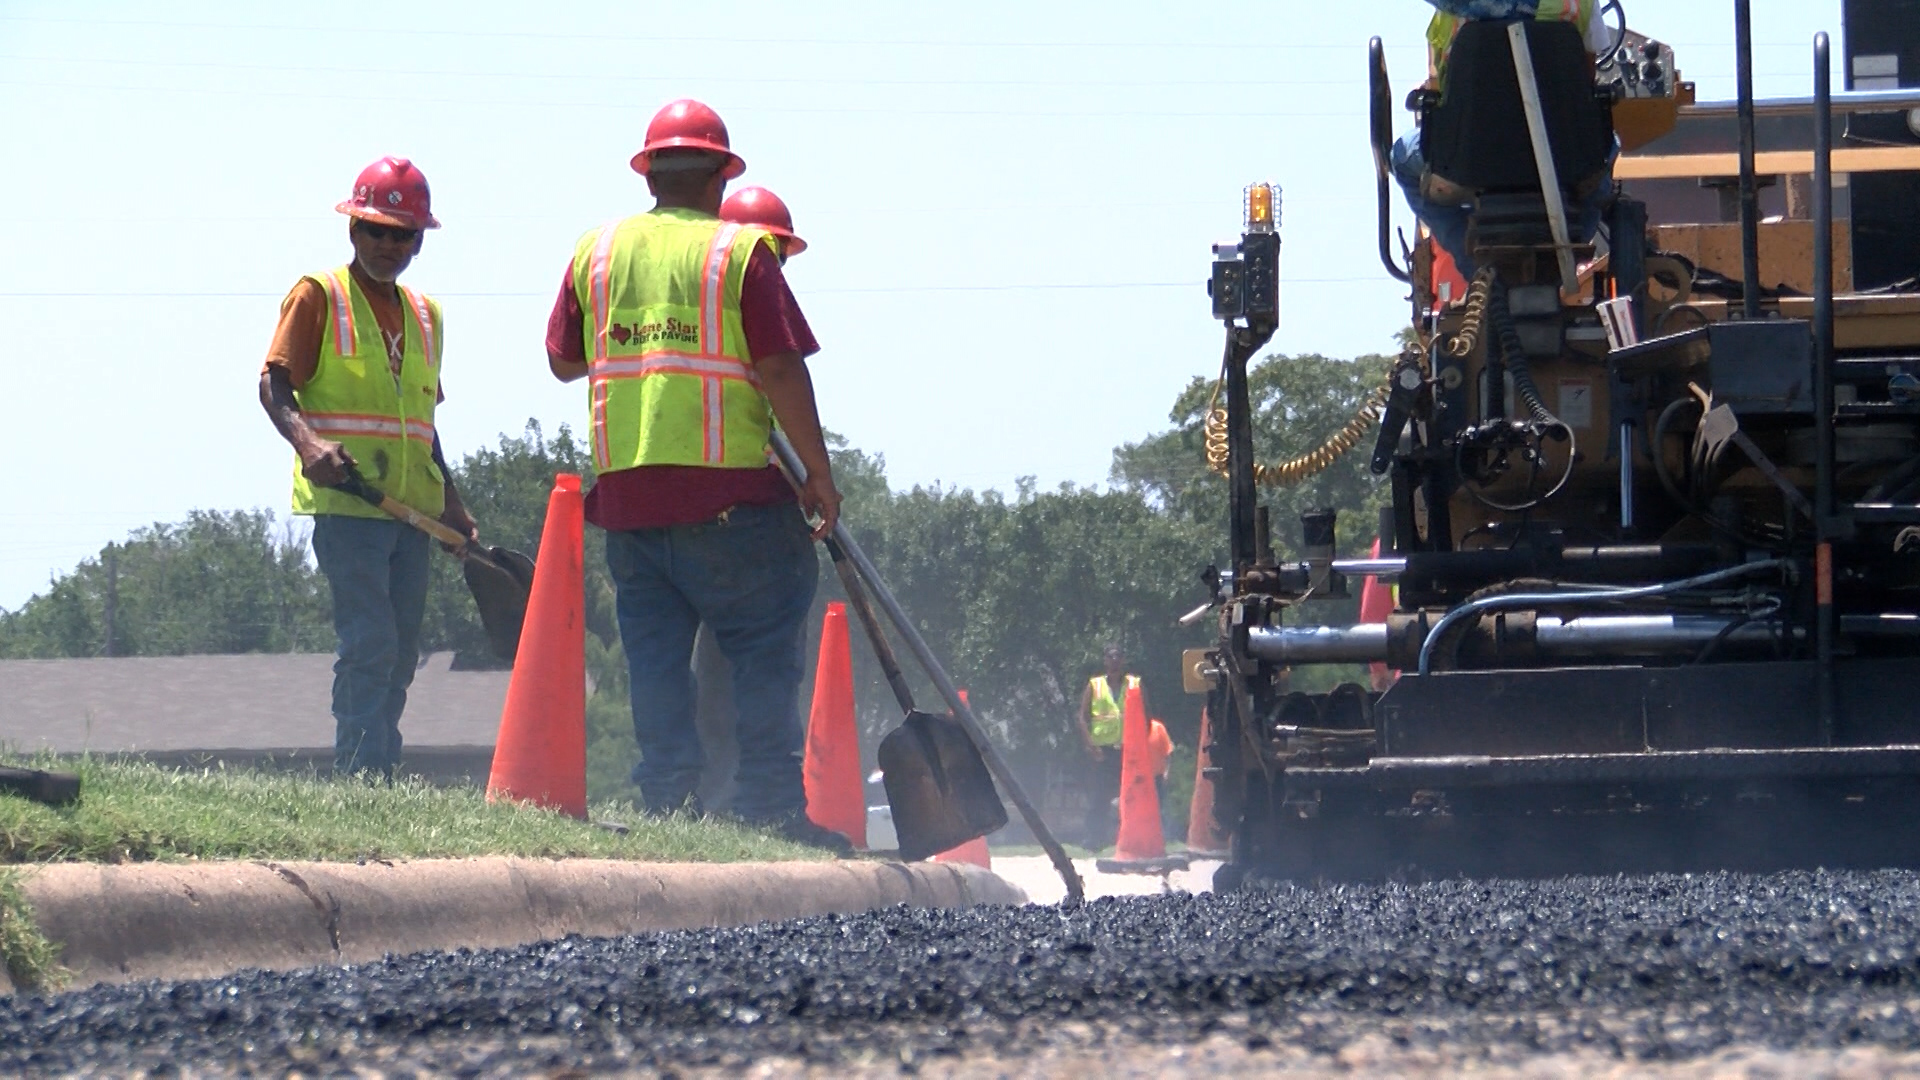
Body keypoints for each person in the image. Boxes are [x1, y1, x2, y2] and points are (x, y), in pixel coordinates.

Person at [544, 99, 846, 851]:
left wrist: (641, 340)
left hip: (630, 501)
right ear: (720, 176)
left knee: (654, 661)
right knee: (764, 648)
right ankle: (769, 805)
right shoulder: (737, 253)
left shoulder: (598, 250)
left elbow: (562, 360)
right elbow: (777, 364)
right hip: (732, 500)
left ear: (649, 173)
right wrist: (817, 474)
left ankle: (668, 805)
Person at [259, 156, 477, 779]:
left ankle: (381, 772)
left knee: (401, 650)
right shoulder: (318, 295)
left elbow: (423, 425)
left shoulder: (426, 316)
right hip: (350, 507)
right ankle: (358, 773)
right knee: (370, 643)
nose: (388, 244)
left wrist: (452, 503)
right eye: (375, 230)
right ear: (352, 230)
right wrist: (308, 445)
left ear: (418, 240)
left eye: (401, 233)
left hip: (409, 512)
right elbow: (274, 386)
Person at [1390, 0, 1614, 278]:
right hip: (1561, 154)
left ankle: (1473, 263)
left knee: (1400, 158)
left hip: (1471, 157)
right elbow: (1586, 83)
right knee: (1607, 150)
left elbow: (1442, 92)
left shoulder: (1451, 11)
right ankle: (1573, 243)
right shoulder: (1579, 4)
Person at [1077, 644, 1151, 848]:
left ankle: (1131, 837)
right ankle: (1094, 838)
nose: (1114, 660)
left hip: (1129, 751)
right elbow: (1082, 717)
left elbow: (1147, 716)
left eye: (1118, 656)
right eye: (1110, 657)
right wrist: (1090, 745)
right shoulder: (1095, 685)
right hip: (1103, 751)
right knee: (1099, 796)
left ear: (1123, 660)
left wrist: (1143, 746)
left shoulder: (1134, 684)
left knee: (1132, 796)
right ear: (1105, 660)